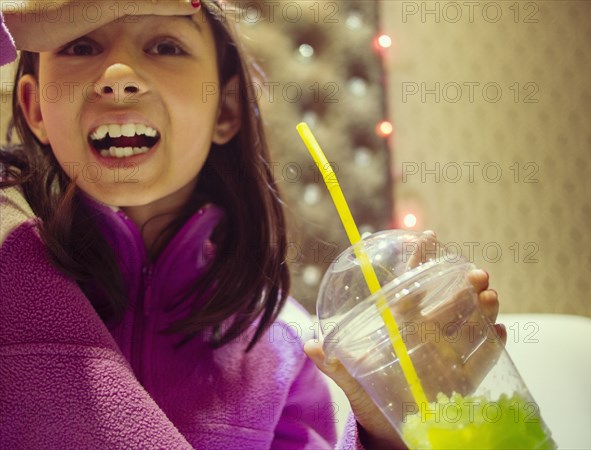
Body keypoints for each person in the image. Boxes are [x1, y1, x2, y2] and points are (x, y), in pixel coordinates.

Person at [0, 1, 506, 448]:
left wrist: (385, 433)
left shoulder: (285, 342)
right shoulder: (7, 258)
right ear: (34, 106)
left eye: (165, 46)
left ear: (226, 107)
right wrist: (13, 20)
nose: (118, 74)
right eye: (80, 42)